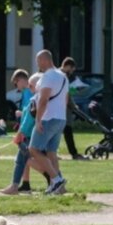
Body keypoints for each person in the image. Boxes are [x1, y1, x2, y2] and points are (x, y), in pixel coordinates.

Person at [0, 72, 48, 195]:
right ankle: (21, 184)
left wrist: (20, 132)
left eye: (31, 85)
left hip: (28, 134)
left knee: (25, 159)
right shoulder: (35, 97)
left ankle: (51, 177)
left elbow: (29, 118)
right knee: (22, 159)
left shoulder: (33, 97)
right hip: (29, 133)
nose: (28, 87)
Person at [29, 50, 69, 195]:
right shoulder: (63, 76)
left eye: (38, 60)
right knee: (51, 152)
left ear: (45, 61)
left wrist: (38, 119)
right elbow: (65, 98)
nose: (37, 63)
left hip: (48, 118)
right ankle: (58, 186)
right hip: (60, 118)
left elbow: (43, 99)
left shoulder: (48, 76)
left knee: (33, 149)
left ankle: (56, 179)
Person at [59, 57, 89, 160]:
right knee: (67, 131)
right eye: (71, 69)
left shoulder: (57, 75)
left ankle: (51, 153)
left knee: (62, 132)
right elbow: (66, 94)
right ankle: (74, 154)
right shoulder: (63, 76)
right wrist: (73, 106)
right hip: (62, 110)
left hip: (61, 109)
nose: (71, 72)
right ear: (67, 66)